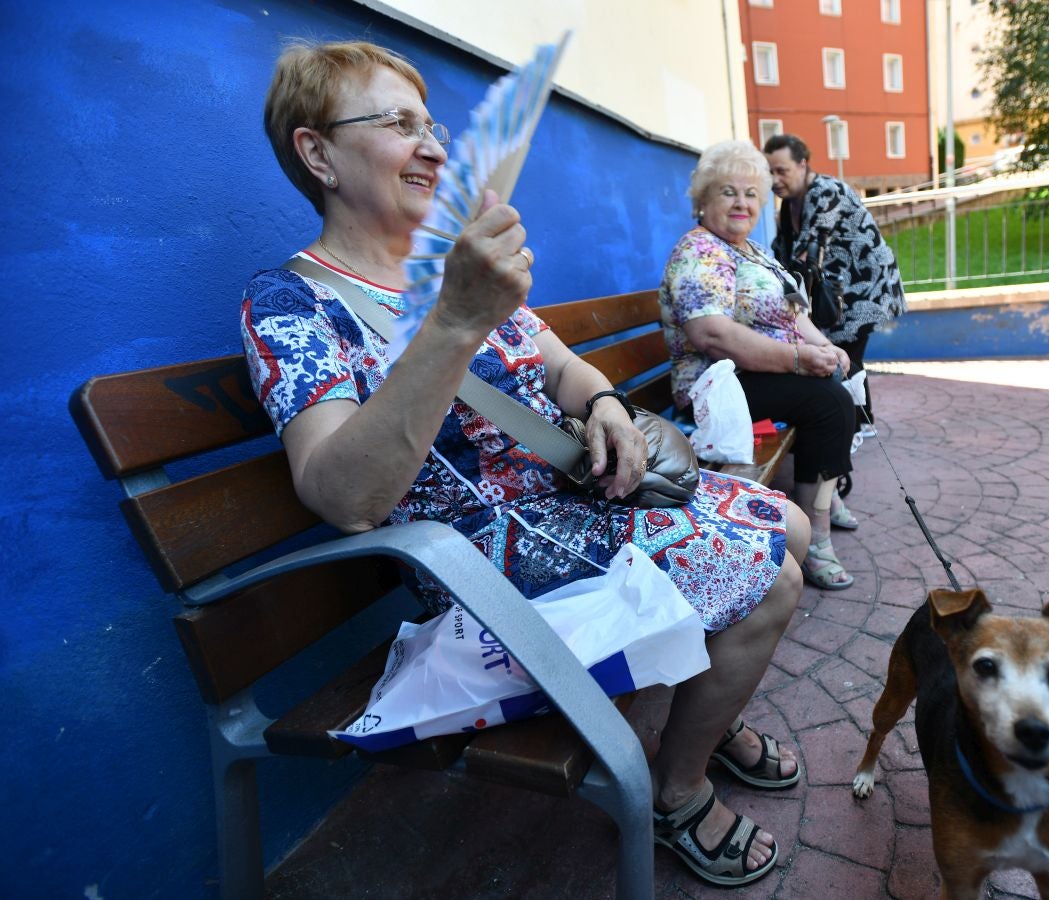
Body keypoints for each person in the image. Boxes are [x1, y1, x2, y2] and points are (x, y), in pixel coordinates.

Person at [242, 41, 805, 887]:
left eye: (432, 123)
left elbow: (561, 367)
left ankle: (707, 714)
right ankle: (676, 793)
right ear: (317, 152)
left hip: (575, 498)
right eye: (399, 124)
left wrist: (606, 405)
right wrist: (456, 321)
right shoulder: (291, 302)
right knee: (779, 579)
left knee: (791, 521)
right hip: (481, 559)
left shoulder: (450, 269)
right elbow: (344, 496)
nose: (434, 146)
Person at [659, 139, 859, 592]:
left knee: (837, 386)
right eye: (728, 191)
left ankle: (823, 493)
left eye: (751, 193)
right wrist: (796, 358)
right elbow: (711, 334)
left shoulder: (750, 250)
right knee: (826, 402)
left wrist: (825, 347)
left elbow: (793, 314)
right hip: (713, 387)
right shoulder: (701, 251)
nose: (741, 202)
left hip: (755, 375)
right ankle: (815, 536)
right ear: (704, 199)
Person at [763, 133, 906, 450]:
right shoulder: (790, 204)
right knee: (848, 355)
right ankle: (862, 421)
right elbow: (780, 252)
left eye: (781, 170)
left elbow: (806, 254)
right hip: (840, 291)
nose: (774, 179)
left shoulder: (826, 192)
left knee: (846, 355)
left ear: (802, 165)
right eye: (769, 171)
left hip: (866, 286)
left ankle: (851, 429)